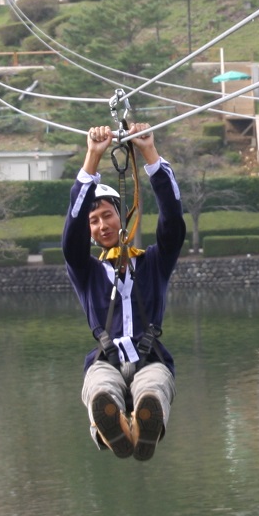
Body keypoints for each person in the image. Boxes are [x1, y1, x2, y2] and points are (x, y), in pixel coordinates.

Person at [63, 123, 185, 461]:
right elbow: (70, 233)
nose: (102, 226)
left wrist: (150, 154)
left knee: (154, 387)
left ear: (123, 218)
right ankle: (110, 423)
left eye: (107, 216)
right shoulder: (86, 271)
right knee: (100, 387)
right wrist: (92, 157)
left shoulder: (153, 263)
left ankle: (147, 423)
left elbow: (173, 222)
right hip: (107, 360)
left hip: (150, 359)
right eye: (94, 222)